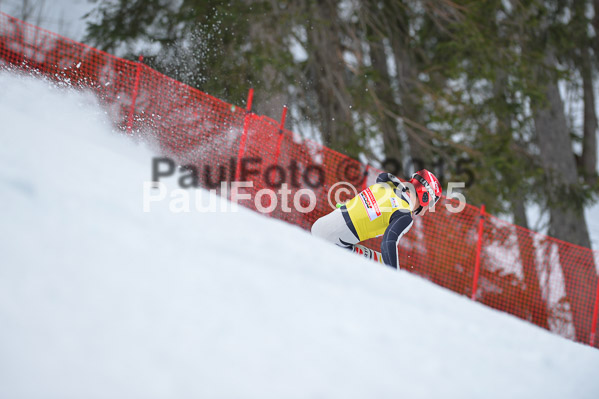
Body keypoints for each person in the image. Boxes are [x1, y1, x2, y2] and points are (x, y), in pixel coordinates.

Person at [311, 169, 442, 269]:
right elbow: (388, 243)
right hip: (333, 242)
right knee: (380, 264)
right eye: (431, 204)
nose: (426, 211)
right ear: (425, 197)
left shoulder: (387, 184)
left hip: (317, 226)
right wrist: (395, 279)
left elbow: (383, 177)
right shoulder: (404, 214)